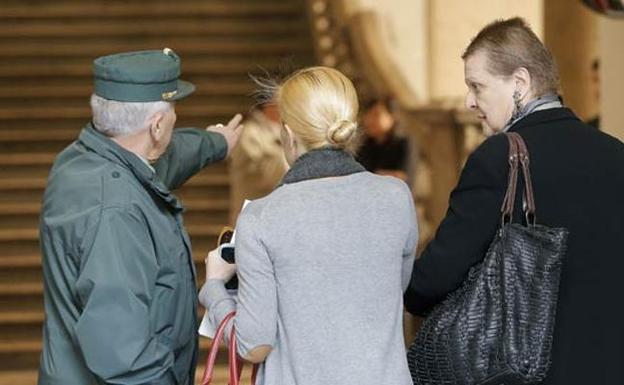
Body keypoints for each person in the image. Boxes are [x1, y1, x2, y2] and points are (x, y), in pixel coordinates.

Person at [404, 18, 624, 385]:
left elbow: (433, 280)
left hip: (528, 373)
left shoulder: (499, 159)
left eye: (477, 85)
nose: (469, 101)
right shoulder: (616, 154)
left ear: (520, 83)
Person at [200, 66, 418, 385]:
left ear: (287, 134)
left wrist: (215, 288)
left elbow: (254, 345)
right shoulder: (397, 196)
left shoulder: (262, 217)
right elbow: (390, 290)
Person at [38, 49, 243, 385]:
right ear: (158, 125)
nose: (175, 119)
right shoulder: (115, 214)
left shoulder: (80, 161)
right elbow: (126, 356)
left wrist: (215, 143)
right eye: (173, 111)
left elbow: (162, 160)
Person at [229, 101, 288, 224]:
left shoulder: (287, 132)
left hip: (279, 212)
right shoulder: (249, 133)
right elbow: (264, 175)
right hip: (253, 213)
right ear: (268, 105)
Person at [356, 98, 410, 182]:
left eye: (376, 115)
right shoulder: (366, 145)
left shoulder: (404, 144)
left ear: (392, 117)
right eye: (368, 115)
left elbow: (402, 177)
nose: (369, 120)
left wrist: (372, 174)